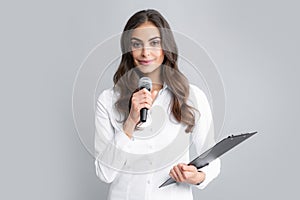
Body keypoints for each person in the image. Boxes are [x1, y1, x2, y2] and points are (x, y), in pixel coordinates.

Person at [94, 9, 220, 200]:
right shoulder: (108, 100)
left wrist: (198, 176)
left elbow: (212, 159)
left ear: (166, 47)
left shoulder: (192, 97)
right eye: (137, 44)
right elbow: (105, 173)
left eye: (154, 43)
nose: (146, 53)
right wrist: (130, 123)